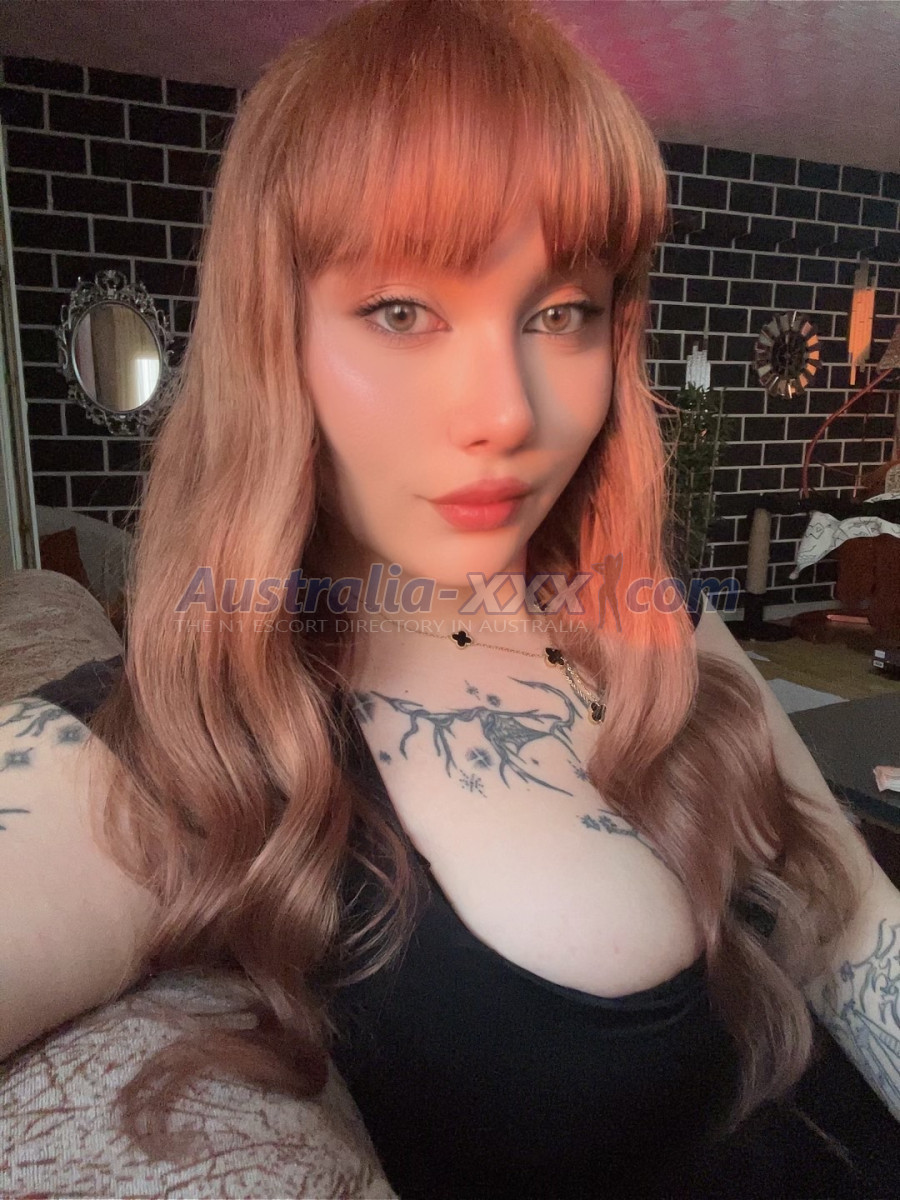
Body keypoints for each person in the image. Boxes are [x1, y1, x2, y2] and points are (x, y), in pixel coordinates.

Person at [2, 1, 900, 1196]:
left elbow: (850, 919)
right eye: (402, 311)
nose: (510, 413)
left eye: (561, 312)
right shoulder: (161, 749)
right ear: (276, 337)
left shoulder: (640, 609)